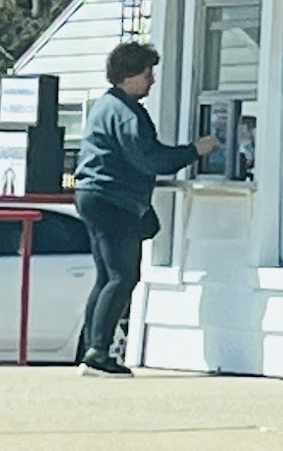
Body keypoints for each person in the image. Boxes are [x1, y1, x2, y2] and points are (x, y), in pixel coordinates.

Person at [72, 41, 215, 376]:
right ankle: (98, 353)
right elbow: (149, 159)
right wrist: (195, 150)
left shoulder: (104, 106)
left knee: (106, 276)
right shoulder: (127, 114)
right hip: (113, 199)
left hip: (92, 195)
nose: (151, 80)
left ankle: (91, 348)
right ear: (128, 76)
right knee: (123, 276)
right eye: (147, 73)